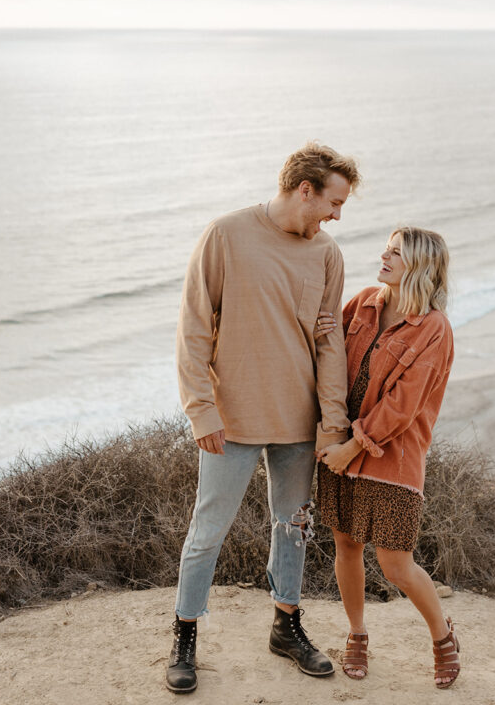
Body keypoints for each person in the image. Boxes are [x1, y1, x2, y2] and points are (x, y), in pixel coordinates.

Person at [166, 142, 361, 694]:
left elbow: (329, 347)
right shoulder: (225, 235)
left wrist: (332, 424)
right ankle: (184, 636)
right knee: (208, 531)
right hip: (231, 421)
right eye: (334, 202)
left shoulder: (326, 254)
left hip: (299, 424)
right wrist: (200, 410)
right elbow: (193, 329)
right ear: (306, 189)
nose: (337, 216)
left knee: (293, 529)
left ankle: (286, 626)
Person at [313, 226, 459, 689]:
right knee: (346, 546)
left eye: (395, 252)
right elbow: (330, 354)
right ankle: (357, 633)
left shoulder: (434, 329)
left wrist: (352, 448)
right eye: (387, 248)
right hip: (339, 447)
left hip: (390, 456)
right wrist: (318, 329)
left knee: (396, 563)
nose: (384, 255)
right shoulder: (364, 302)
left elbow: (403, 406)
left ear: (418, 266)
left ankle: (442, 637)